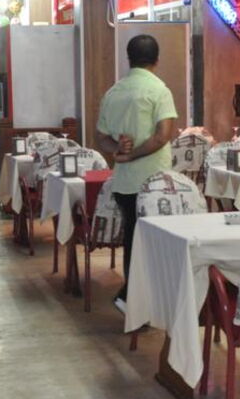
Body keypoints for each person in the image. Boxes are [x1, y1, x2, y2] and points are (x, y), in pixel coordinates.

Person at [96, 34, 177, 311]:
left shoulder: (113, 92)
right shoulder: (159, 90)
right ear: (157, 59)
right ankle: (136, 298)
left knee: (133, 237)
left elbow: (101, 137)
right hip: (155, 182)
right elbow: (162, 136)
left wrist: (119, 149)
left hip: (125, 183)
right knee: (155, 242)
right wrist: (132, 154)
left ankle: (133, 296)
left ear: (129, 59)